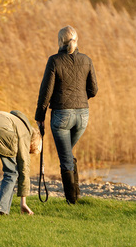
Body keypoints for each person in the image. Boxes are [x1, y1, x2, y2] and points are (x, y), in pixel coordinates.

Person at [35, 26, 98, 204]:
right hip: (83, 116)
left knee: (65, 159)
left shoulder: (54, 61)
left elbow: (45, 92)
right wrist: (79, 100)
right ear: (76, 40)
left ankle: (72, 202)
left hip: (62, 116)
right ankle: (76, 197)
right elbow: (94, 90)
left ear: (59, 41)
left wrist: (39, 116)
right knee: (67, 154)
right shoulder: (87, 60)